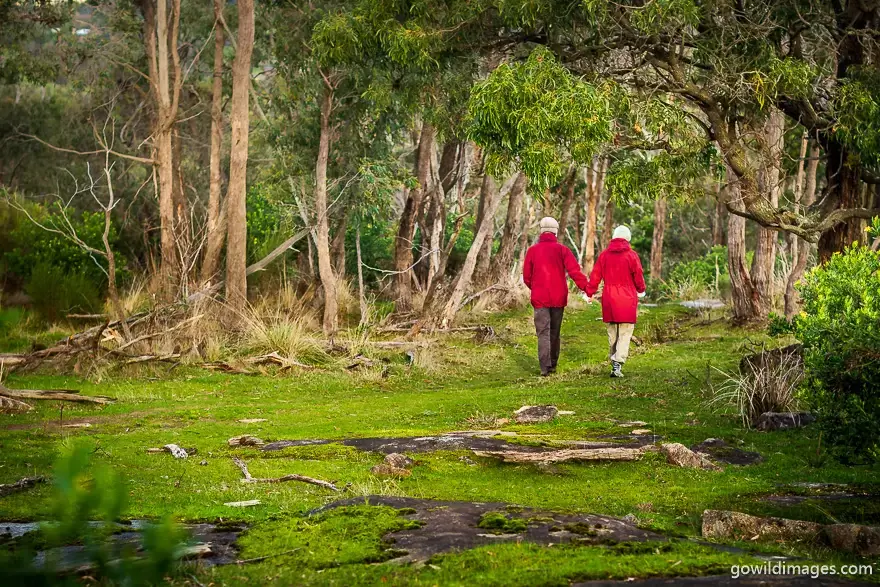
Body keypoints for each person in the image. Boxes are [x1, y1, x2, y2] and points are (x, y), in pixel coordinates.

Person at [523, 216, 590, 376]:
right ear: (555, 232)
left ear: (541, 231)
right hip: (558, 297)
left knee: (543, 332)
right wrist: (586, 288)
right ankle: (553, 364)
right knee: (554, 331)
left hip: (540, 298)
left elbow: (526, 276)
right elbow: (574, 271)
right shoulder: (562, 250)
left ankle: (544, 367)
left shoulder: (532, 251)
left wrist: (536, 288)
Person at [584, 225, 647, 378]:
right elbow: (638, 275)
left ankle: (614, 363)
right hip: (627, 299)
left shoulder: (604, 255)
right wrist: (641, 290)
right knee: (625, 334)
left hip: (610, 299)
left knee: (613, 334)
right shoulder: (632, 256)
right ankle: (618, 363)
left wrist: (589, 293)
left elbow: (595, 276)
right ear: (628, 238)